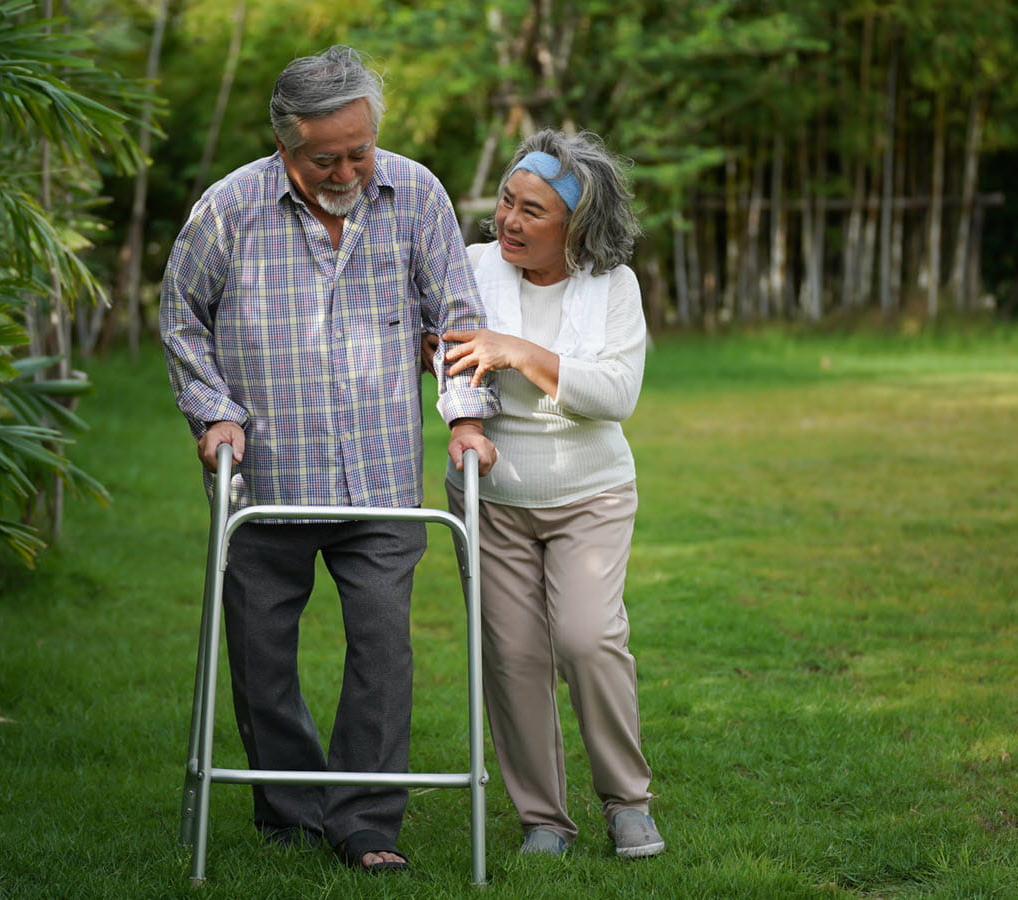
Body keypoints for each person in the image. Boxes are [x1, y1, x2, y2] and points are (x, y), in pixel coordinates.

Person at [159, 45, 498, 874]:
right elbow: (181, 318)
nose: (348, 167)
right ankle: (288, 804)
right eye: (326, 157)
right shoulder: (228, 208)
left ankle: (367, 823)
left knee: (383, 648)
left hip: (380, 475)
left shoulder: (414, 193)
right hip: (267, 475)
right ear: (286, 145)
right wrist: (213, 413)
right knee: (262, 650)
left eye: (359, 149)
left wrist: (463, 419)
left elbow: (454, 317)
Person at [438, 128, 664, 858]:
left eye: (532, 211)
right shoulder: (471, 268)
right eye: (507, 200)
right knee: (515, 656)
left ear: (576, 227)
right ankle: (543, 819)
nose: (508, 220)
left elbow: (616, 393)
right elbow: (449, 360)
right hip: (492, 497)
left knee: (588, 639)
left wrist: (521, 353)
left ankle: (628, 803)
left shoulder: (613, 285)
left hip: (590, 494)